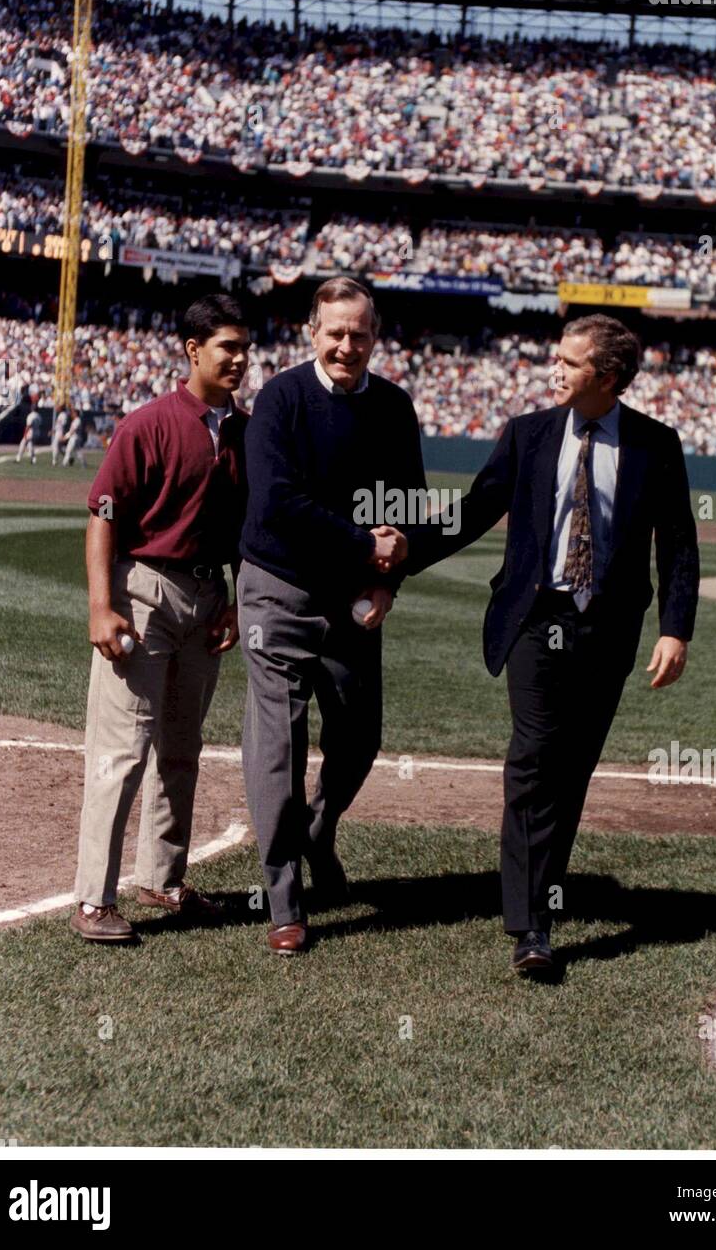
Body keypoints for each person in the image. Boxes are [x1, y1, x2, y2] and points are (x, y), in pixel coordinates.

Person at [398, 314, 700, 976]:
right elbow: (474, 510)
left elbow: (677, 542)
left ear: (608, 378)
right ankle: (531, 923)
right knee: (532, 758)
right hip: (535, 621)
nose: (553, 370)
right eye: (555, 358)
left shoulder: (655, 444)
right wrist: (400, 554)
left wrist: (675, 628)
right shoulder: (528, 434)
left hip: (608, 629)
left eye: (568, 361)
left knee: (570, 771)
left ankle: (541, 893)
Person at [237, 276, 418, 956]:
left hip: (352, 603)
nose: (347, 345)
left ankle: (319, 827)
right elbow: (279, 501)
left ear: (374, 337)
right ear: (311, 332)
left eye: (359, 334)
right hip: (277, 590)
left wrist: (390, 579)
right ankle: (285, 901)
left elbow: (408, 502)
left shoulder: (393, 407)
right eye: (335, 332)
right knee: (276, 750)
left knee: (359, 740)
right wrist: (362, 544)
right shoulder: (280, 398)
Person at [71, 294, 250, 942]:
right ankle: (94, 898)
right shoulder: (147, 424)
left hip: (205, 601)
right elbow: (103, 516)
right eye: (227, 346)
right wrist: (101, 606)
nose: (239, 358)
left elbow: (241, 532)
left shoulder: (246, 431)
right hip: (143, 594)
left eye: (243, 346)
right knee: (123, 751)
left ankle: (163, 879)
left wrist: (231, 599)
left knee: (181, 750)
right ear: (192, 350)